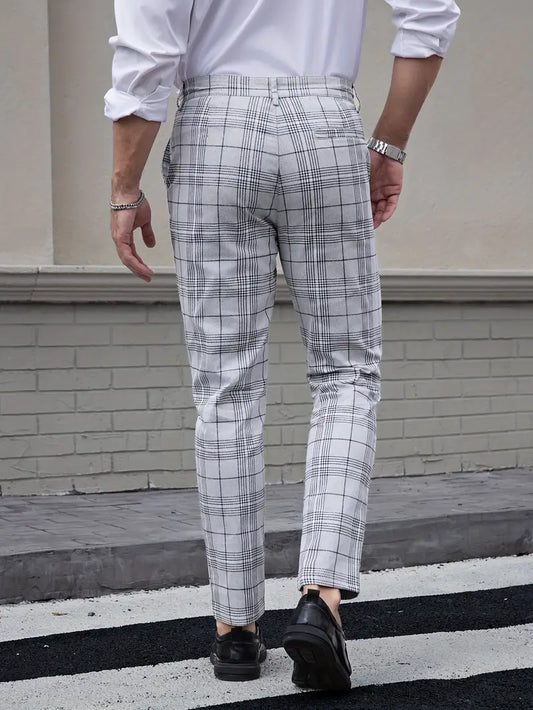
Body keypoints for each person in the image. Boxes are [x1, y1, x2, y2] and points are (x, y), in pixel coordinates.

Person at [105, 0, 460, 691]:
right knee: (345, 372)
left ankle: (235, 632)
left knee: (224, 385)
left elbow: (147, 55)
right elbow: (430, 13)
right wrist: (388, 143)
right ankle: (320, 598)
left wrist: (124, 186)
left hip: (211, 132)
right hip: (325, 123)